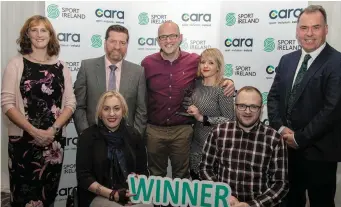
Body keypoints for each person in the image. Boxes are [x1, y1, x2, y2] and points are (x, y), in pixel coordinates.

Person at [267, 5, 341, 207]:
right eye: (304, 28)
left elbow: (332, 109)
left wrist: (299, 138)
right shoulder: (287, 60)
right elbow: (273, 98)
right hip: (285, 152)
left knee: (322, 203)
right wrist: (281, 129)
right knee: (289, 201)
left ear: (326, 29)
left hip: (320, 154)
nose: (309, 34)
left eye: (315, 27)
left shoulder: (337, 62)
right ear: (297, 30)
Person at [141, 21, 235, 179]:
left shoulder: (194, 61)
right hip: (154, 130)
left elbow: (211, 71)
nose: (168, 40)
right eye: (163, 37)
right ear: (158, 41)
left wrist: (228, 81)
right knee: (156, 177)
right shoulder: (147, 63)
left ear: (180, 38)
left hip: (182, 131)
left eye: (172, 36)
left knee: (182, 178)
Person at [1, 15, 76, 206]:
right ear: (27, 34)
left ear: (50, 35)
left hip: (53, 144)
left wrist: (53, 131)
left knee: (47, 195)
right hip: (23, 142)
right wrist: (33, 131)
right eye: (34, 30)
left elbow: (70, 103)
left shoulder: (62, 66)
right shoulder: (16, 64)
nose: (39, 34)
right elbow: (7, 103)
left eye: (44, 30)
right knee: (22, 197)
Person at [200, 86, 288, 207]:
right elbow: (205, 168)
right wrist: (222, 195)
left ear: (261, 109)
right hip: (223, 203)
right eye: (242, 106)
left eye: (253, 107)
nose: (247, 111)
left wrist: (252, 205)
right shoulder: (218, 132)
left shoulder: (274, 139)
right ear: (235, 107)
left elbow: (280, 184)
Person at [76, 91, 151, 207]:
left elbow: (143, 171)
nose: (112, 114)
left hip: (130, 194)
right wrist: (113, 194)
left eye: (116, 108)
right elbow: (84, 177)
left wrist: (139, 180)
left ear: (123, 111)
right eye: (106, 109)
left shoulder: (134, 135)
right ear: (100, 113)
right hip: (98, 195)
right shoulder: (87, 137)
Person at [74, 24, 147, 136]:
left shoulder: (138, 72)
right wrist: (86, 135)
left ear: (127, 45)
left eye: (122, 43)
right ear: (105, 43)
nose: (117, 47)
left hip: (126, 139)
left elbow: (141, 110)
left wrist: (134, 138)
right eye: (113, 41)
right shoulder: (87, 67)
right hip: (94, 137)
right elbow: (79, 106)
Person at [186, 48, 234, 180]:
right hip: (196, 145)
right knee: (196, 184)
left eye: (211, 63)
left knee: (212, 191)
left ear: (218, 67)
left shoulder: (223, 88)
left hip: (215, 147)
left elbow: (229, 120)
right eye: (203, 62)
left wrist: (202, 118)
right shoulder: (195, 84)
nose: (205, 66)